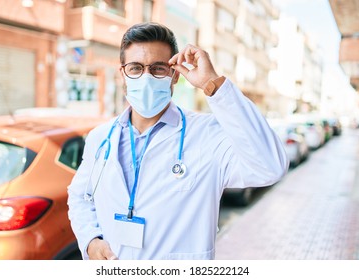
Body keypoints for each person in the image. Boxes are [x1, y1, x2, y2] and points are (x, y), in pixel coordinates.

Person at [67, 22, 289, 260]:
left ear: (174, 75)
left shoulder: (208, 135)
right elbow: (80, 196)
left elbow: (271, 166)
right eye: (135, 68)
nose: (146, 77)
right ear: (123, 74)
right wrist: (90, 240)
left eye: (158, 69)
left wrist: (211, 84)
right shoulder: (101, 138)